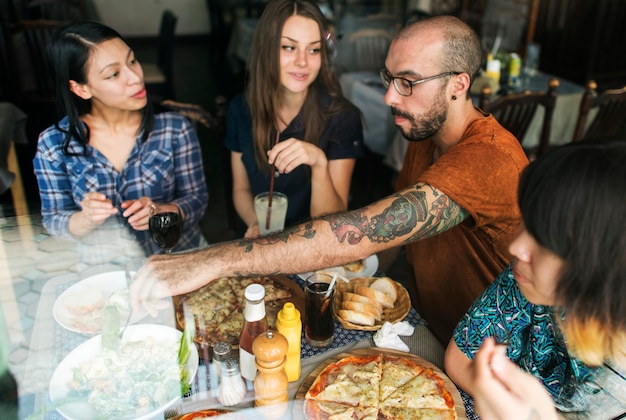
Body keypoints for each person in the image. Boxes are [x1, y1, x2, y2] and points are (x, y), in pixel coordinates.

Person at [131, 15, 528, 345]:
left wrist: (215, 260)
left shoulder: (486, 159)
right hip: (417, 322)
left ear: (459, 83)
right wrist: (355, 278)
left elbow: (364, 230)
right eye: (389, 78)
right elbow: (393, 237)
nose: (390, 96)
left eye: (407, 82)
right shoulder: (425, 133)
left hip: (481, 351)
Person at [444, 140, 626, 416]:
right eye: (526, 224)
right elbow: (460, 359)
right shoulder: (529, 276)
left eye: (544, 239)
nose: (516, 248)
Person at [33, 21, 209, 257]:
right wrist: (85, 219)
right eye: (113, 74)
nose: (135, 78)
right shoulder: (53, 145)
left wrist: (161, 211)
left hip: (177, 257)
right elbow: (55, 221)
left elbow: (197, 201)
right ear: (81, 89)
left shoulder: (174, 129)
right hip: (106, 271)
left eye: (132, 61)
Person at [225, 0, 364, 238]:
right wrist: (256, 224)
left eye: (314, 49)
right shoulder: (241, 109)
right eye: (289, 47)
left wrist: (319, 163)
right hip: (257, 246)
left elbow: (333, 221)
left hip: (312, 252)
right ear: (266, 49)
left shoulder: (342, 118)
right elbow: (241, 189)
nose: (302, 61)